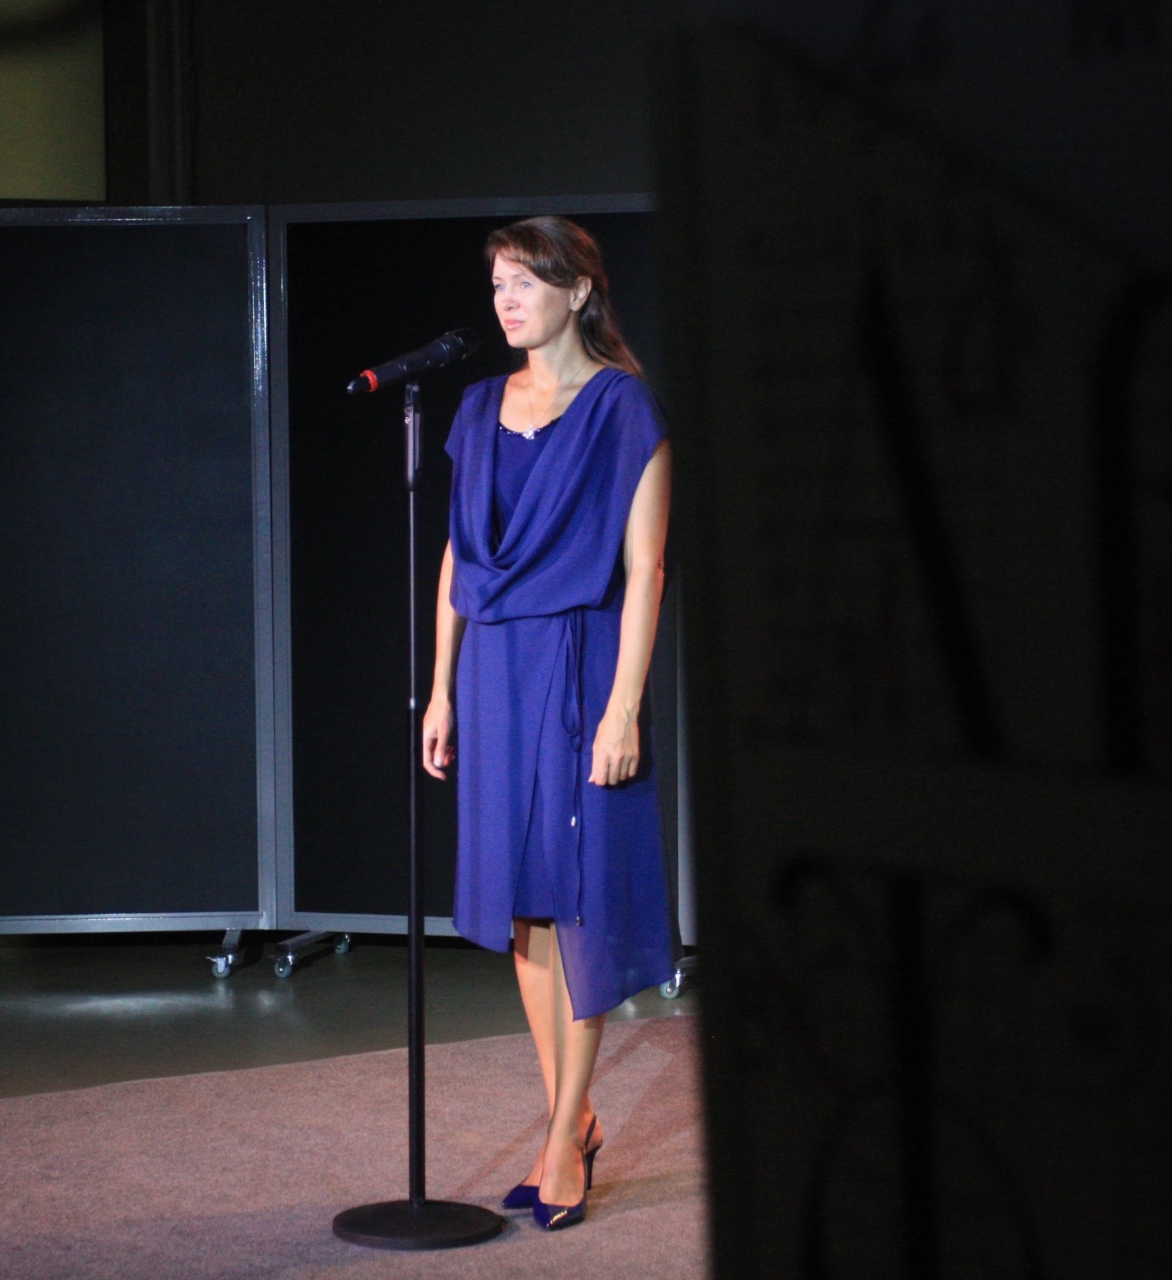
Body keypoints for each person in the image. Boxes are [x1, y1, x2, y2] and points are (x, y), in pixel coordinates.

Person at [421, 216, 673, 1231]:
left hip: (582, 663)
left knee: (578, 902)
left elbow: (647, 568)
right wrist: (441, 688)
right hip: (494, 672)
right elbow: (458, 556)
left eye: (525, 280)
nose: (507, 300)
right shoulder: (479, 406)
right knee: (523, 906)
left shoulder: (622, 406)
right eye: (497, 284)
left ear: (578, 291)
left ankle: (563, 1135)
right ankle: (575, 1114)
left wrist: (624, 707)